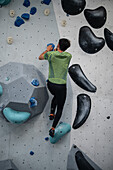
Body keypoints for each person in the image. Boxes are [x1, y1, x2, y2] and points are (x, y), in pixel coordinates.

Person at [39, 38, 72, 137]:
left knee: (56, 97)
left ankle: (51, 113)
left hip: (51, 85)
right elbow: (60, 54)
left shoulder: (51, 55)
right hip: (61, 86)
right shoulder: (68, 56)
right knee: (60, 107)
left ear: (58, 45)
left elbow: (40, 57)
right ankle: (53, 128)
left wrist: (48, 50)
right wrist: (56, 50)